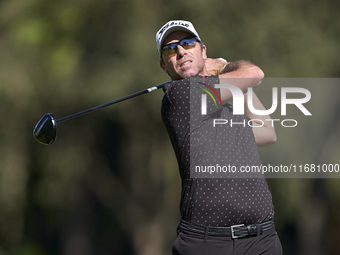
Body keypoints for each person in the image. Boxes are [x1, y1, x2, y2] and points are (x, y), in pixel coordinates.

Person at [156, 20, 282, 255]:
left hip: (262, 240)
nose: (181, 51)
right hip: (208, 244)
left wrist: (230, 78)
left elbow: (267, 132)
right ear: (164, 65)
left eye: (187, 43)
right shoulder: (180, 96)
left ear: (203, 51)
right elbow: (255, 73)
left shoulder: (228, 112)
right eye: (171, 49)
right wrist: (224, 67)